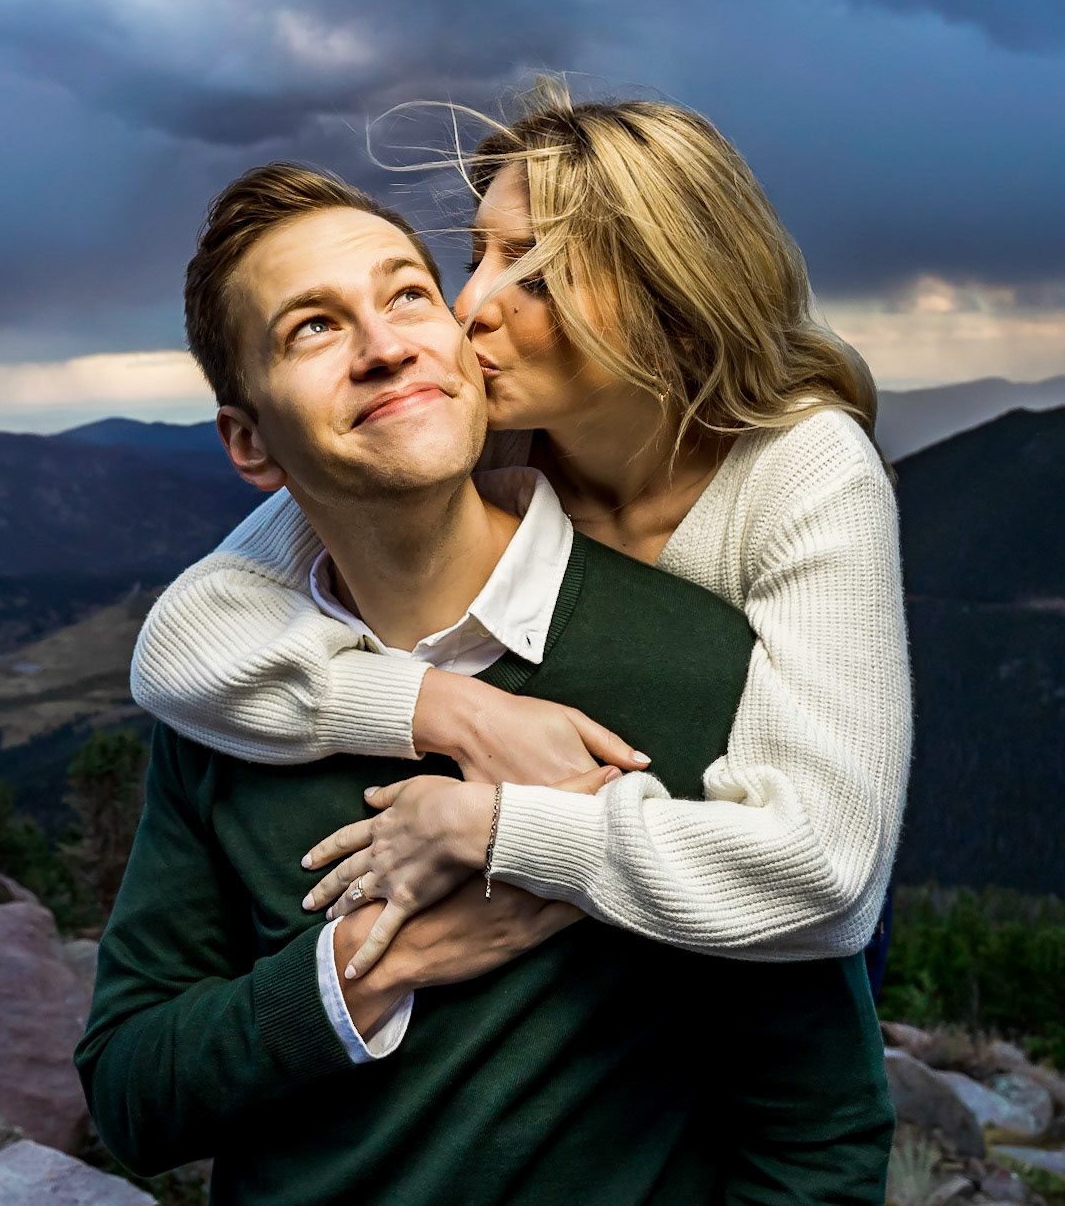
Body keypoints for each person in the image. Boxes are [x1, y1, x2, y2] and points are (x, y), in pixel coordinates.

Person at [76, 164, 892, 1203]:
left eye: (407, 293)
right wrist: (374, 965)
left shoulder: (695, 665)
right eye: (313, 329)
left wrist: (515, 834)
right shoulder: (231, 701)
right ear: (249, 443)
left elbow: (816, 1139)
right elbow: (130, 1092)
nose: (384, 346)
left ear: (462, 348)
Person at [128, 78, 910, 980]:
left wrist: (490, 827)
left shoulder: (803, 470)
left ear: (673, 309)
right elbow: (180, 644)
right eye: (476, 257)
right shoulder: (482, 430)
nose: (471, 306)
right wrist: (448, 709)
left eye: (531, 273)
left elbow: (825, 878)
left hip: (760, 930)